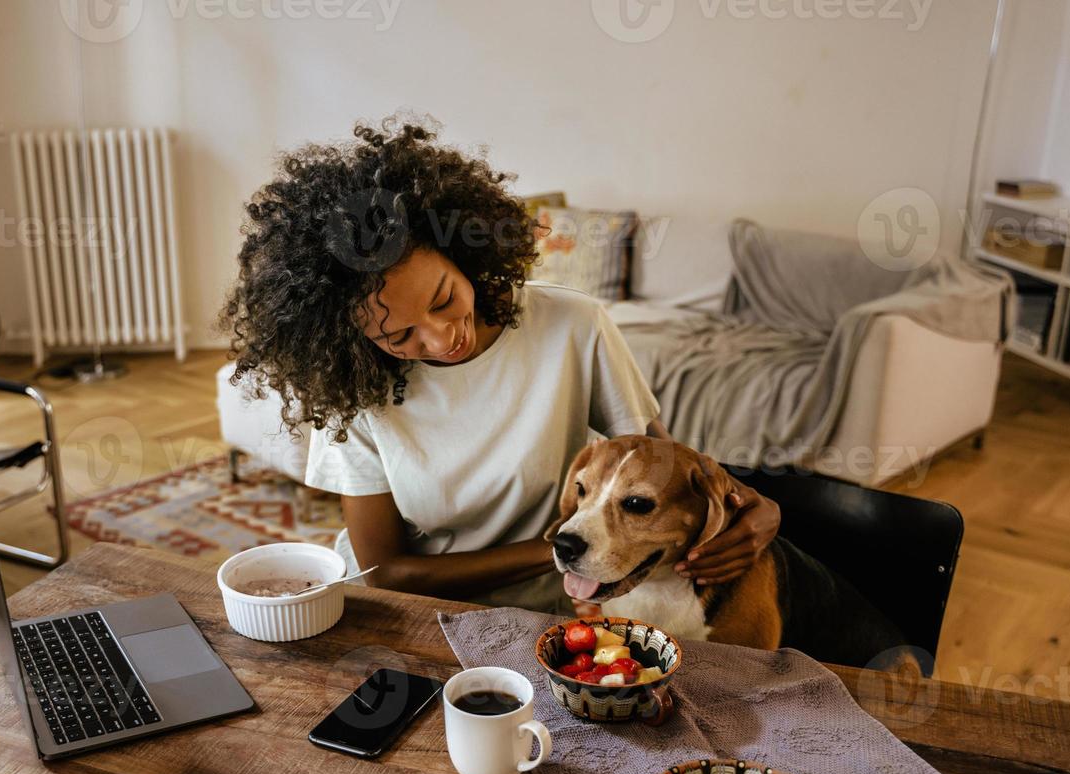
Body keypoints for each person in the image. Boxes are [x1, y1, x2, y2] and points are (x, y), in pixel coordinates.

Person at [219, 118, 779, 613]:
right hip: (406, 608)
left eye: (443, 299)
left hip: (559, 603)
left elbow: (655, 467)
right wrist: (568, 547)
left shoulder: (572, 325)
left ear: (462, 253)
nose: (441, 339)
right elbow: (386, 572)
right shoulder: (357, 394)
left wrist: (758, 507)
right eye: (399, 335)